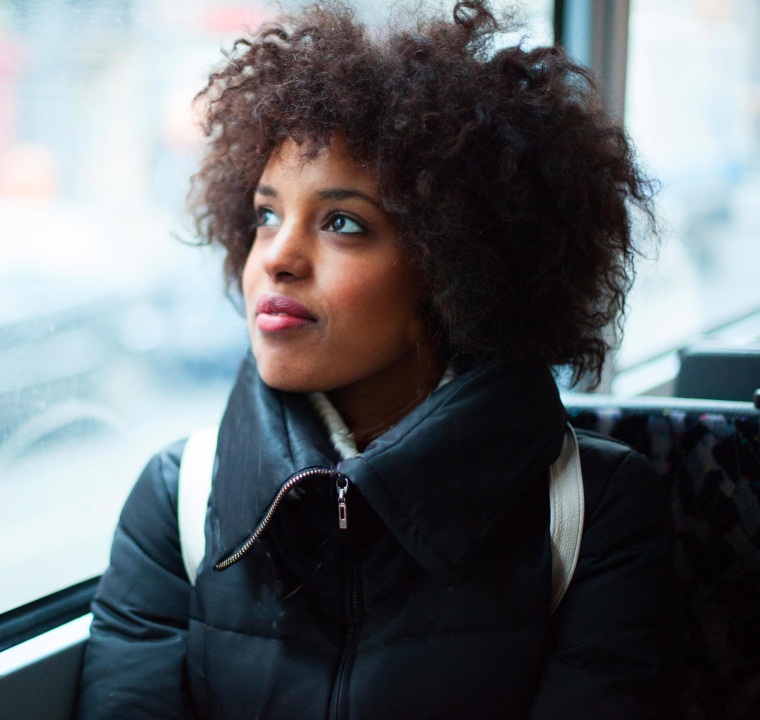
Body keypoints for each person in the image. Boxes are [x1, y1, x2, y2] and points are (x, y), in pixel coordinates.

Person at [76, 1, 681, 718]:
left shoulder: (596, 512)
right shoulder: (177, 498)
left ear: (457, 268)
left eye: (342, 223)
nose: (276, 258)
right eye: (267, 214)